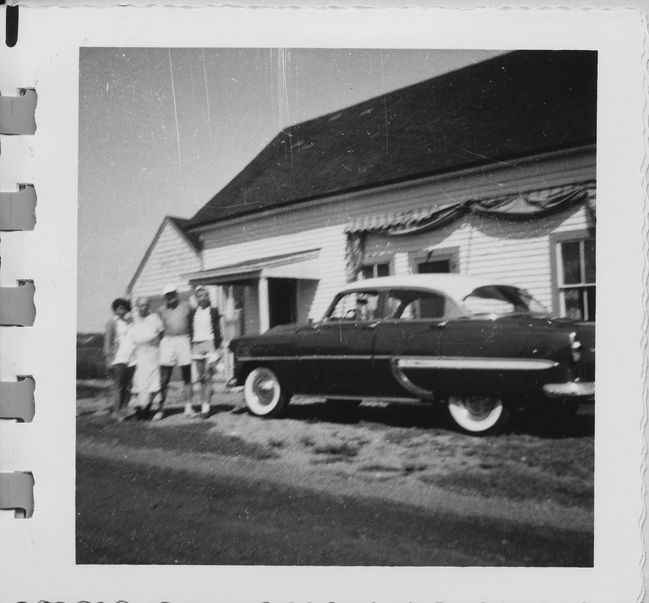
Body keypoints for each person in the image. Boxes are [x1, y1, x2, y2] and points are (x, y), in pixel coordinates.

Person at [156, 284, 195, 420]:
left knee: (187, 375)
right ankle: (160, 409)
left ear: (176, 294)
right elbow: (159, 330)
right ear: (164, 297)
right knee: (164, 377)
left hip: (183, 340)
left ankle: (188, 407)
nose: (170, 297)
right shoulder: (161, 310)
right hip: (167, 341)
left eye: (172, 294)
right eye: (167, 295)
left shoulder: (187, 306)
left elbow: (193, 324)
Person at [190, 286, 222, 418]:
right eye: (200, 296)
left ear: (208, 297)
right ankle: (204, 403)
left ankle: (205, 409)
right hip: (197, 345)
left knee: (208, 377)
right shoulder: (193, 312)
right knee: (202, 378)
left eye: (205, 296)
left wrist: (218, 347)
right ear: (197, 298)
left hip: (210, 344)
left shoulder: (213, 311)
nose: (202, 298)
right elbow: (190, 329)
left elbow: (218, 330)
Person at [130, 296, 164, 416]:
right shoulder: (134, 318)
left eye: (146, 305)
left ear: (149, 306)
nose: (143, 307)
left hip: (151, 352)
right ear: (137, 307)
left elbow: (161, 333)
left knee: (151, 381)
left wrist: (156, 344)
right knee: (139, 381)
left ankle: (147, 409)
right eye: (141, 305)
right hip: (138, 353)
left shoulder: (154, 318)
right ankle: (139, 409)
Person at [103, 297, 135, 420]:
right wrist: (108, 360)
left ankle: (124, 410)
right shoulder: (111, 323)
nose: (122, 311)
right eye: (119, 308)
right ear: (115, 309)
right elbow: (107, 342)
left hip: (131, 358)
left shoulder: (129, 322)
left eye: (124, 308)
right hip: (118, 358)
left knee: (128, 386)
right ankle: (117, 412)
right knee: (118, 386)